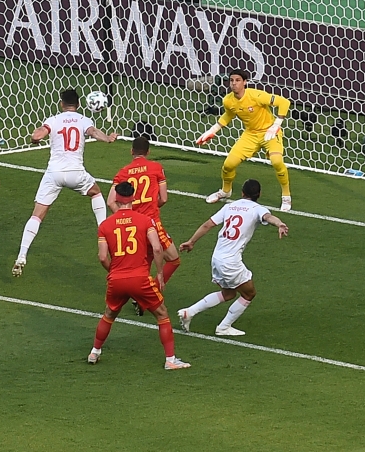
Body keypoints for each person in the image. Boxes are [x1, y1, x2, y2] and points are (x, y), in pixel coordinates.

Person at [12, 88, 118, 277]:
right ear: (78, 105)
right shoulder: (84, 120)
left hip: (54, 174)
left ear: (61, 104)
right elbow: (93, 132)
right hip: (76, 173)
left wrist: (34, 138)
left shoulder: (53, 120)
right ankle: (103, 232)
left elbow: (38, 135)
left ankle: (21, 255)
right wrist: (108, 139)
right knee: (96, 193)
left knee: (37, 215)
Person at [88, 181, 190, 370]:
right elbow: (158, 248)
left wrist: (112, 271)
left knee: (109, 314)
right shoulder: (145, 221)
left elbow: (102, 257)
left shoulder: (105, 225)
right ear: (133, 198)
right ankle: (170, 360)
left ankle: (95, 351)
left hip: (116, 279)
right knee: (162, 314)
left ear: (116, 199)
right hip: (140, 279)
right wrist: (159, 273)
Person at [177, 179, 288, 336]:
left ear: (242, 193)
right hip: (230, 262)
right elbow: (269, 217)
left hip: (216, 258)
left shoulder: (229, 207)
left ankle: (189, 312)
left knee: (228, 294)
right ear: (260, 194)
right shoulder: (258, 209)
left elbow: (207, 225)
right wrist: (280, 224)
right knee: (249, 293)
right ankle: (223, 327)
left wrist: (191, 242)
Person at [195, 68, 293, 211]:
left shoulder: (257, 96)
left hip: (270, 133)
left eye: (238, 80)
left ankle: (286, 196)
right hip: (250, 135)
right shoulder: (228, 100)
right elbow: (228, 115)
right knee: (228, 165)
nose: (234, 84)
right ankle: (225, 191)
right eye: (232, 80)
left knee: (277, 162)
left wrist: (276, 125)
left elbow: (284, 102)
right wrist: (212, 130)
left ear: (245, 82)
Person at [108, 136, 181, 315]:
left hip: (132, 225)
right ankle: (146, 298)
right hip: (152, 223)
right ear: (148, 152)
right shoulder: (156, 168)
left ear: (131, 151)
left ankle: (138, 296)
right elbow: (163, 198)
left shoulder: (123, 172)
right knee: (173, 258)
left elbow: (111, 202)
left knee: (143, 262)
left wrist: (126, 217)